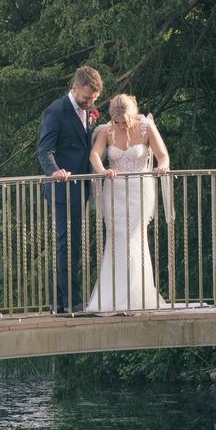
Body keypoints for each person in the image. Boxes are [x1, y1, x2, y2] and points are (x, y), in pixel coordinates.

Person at [86, 93, 170, 312]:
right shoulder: (107, 131)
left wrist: (161, 167)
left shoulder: (146, 128)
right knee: (116, 239)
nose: (122, 126)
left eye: (125, 122)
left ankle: (139, 296)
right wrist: (103, 170)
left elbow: (163, 155)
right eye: (117, 122)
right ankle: (112, 298)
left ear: (134, 115)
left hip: (139, 191)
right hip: (114, 193)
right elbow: (94, 155)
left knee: (136, 238)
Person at [37, 65, 103, 313]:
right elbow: (45, 150)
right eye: (87, 98)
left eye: (94, 100)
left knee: (70, 245)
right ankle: (73, 303)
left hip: (80, 189)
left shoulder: (88, 110)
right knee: (67, 247)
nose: (90, 104)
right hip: (62, 189)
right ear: (74, 87)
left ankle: (58, 303)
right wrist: (55, 171)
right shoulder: (55, 111)